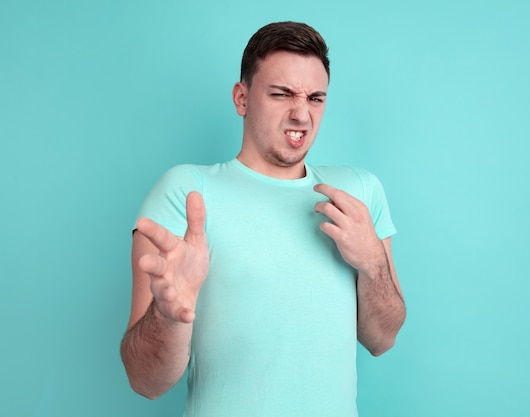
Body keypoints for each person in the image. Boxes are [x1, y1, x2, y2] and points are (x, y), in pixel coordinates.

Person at [120, 21, 406, 417]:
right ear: (242, 98)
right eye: (281, 94)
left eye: (316, 98)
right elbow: (144, 381)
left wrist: (373, 263)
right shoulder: (186, 193)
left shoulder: (358, 191)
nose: (301, 114)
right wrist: (168, 315)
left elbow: (383, 339)